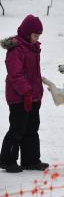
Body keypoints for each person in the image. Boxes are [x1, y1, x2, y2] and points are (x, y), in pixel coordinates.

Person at [0, 15, 49, 173]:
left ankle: (31, 160)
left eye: (38, 36)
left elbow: (34, 75)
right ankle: (7, 161)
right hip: (18, 97)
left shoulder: (33, 48)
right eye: (35, 35)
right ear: (27, 33)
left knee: (32, 128)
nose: (37, 38)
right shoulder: (16, 48)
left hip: (32, 96)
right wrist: (26, 92)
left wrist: (37, 95)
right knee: (17, 128)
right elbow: (16, 74)